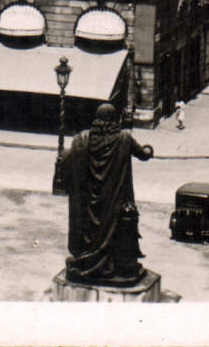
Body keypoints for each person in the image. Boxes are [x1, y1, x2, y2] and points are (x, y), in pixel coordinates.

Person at [57, 102, 155, 285]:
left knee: (90, 230)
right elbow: (143, 154)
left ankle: (89, 262)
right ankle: (111, 267)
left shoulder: (82, 139)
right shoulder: (124, 139)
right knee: (114, 229)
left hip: (88, 203)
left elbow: (68, 160)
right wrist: (149, 149)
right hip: (114, 200)